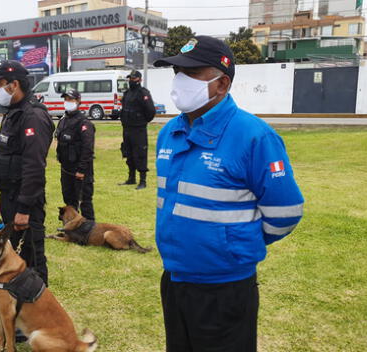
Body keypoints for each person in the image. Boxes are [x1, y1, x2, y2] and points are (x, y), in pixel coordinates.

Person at [153, 36, 305, 352]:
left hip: (225, 288)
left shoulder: (254, 136)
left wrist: (233, 244)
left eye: (192, 73)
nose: (180, 80)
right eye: (177, 71)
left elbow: (285, 213)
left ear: (222, 84)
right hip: (175, 280)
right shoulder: (169, 133)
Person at [0, 60, 54, 285]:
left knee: (31, 255)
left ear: (13, 85)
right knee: (15, 253)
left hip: (26, 200)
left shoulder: (32, 116)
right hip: (11, 195)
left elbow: (34, 167)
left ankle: (38, 304)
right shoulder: (14, 113)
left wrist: (23, 209)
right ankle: (18, 298)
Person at [55, 89, 95, 220]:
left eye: (70, 99)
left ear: (78, 101)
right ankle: (72, 225)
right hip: (66, 167)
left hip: (80, 169)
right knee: (68, 197)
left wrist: (82, 169)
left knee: (84, 200)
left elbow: (87, 148)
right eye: (65, 99)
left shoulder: (84, 123)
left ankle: (89, 228)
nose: (67, 102)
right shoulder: (63, 120)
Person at [119, 70, 156, 190]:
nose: (131, 81)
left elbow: (150, 111)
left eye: (133, 79)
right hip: (127, 129)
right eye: (130, 78)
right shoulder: (127, 93)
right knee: (128, 153)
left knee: (140, 154)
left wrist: (142, 121)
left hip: (138, 130)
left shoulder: (143, 93)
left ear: (139, 80)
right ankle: (131, 178)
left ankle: (143, 181)